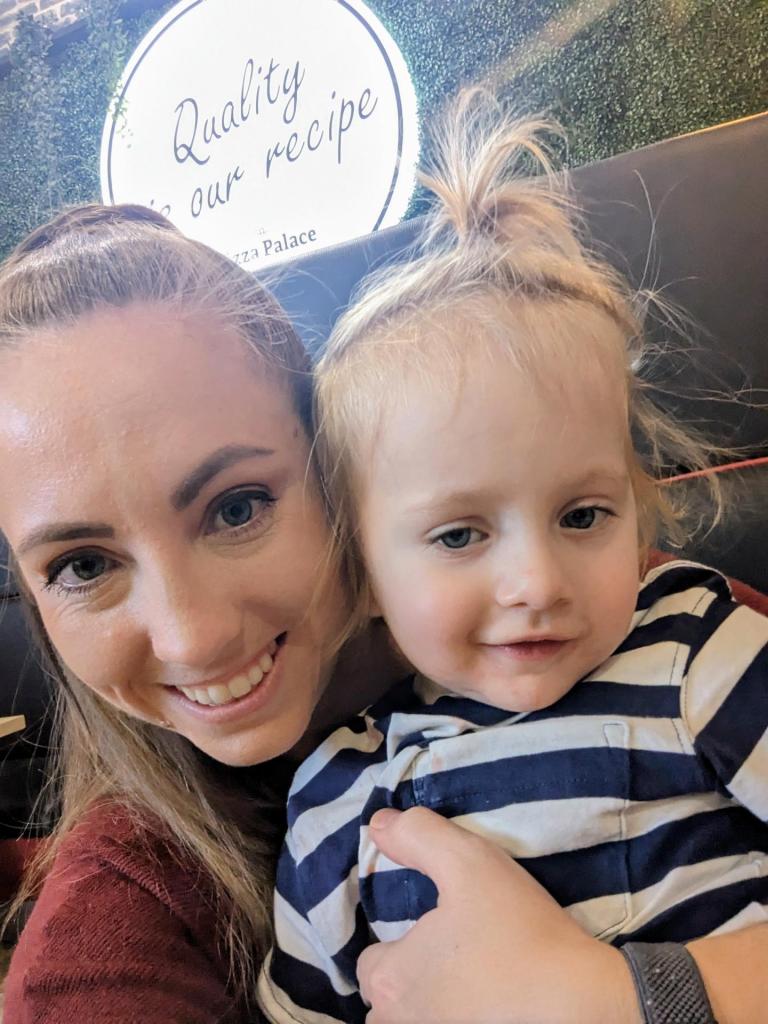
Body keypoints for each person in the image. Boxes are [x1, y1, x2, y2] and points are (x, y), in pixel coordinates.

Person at [258, 91, 768, 1024]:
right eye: (459, 536)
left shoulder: (699, 656)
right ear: (364, 574)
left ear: (639, 507)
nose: (536, 584)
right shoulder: (338, 798)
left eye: (583, 515)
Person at [0, 203, 399, 1023]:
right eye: (83, 565)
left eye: (237, 508)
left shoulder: (580, 607)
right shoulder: (114, 923)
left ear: (329, 462)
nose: (194, 635)